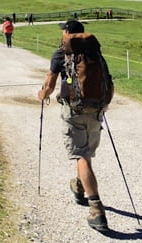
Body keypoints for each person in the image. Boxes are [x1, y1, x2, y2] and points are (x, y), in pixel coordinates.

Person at [36, 19, 113, 232]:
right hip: (96, 111)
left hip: (74, 112)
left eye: (64, 31)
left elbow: (50, 86)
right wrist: (104, 106)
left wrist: (42, 94)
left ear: (68, 33)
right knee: (86, 153)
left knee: (81, 156)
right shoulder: (94, 53)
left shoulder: (61, 54)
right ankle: (79, 185)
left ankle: (97, 209)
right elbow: (107, 81)